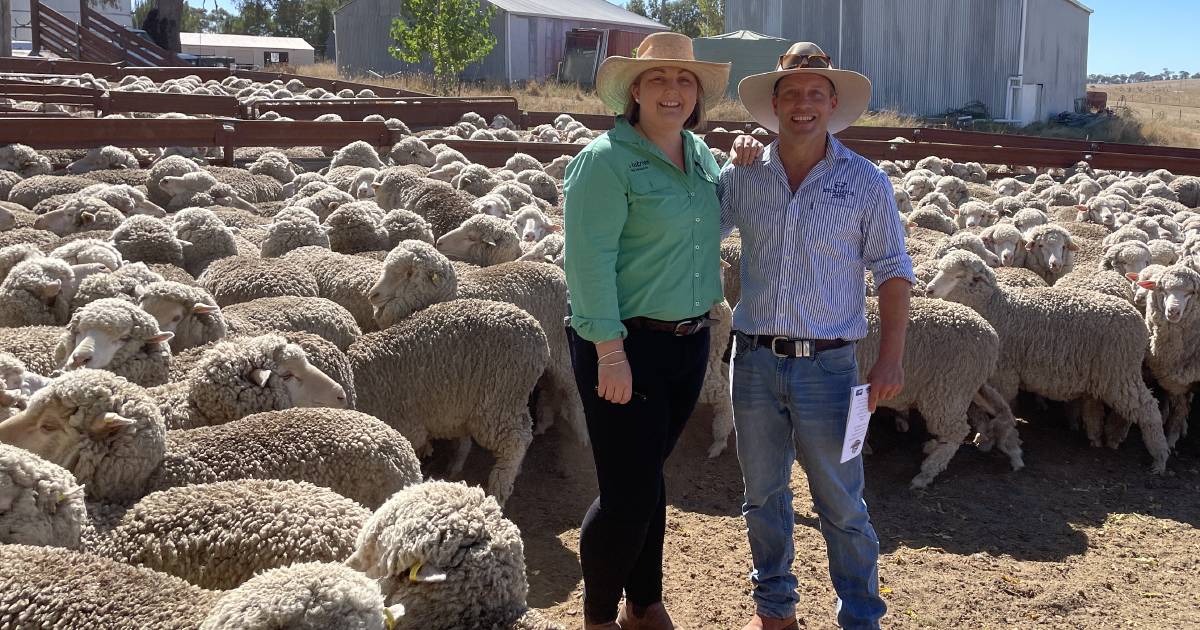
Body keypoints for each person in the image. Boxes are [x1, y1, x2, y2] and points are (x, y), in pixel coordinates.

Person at [562, 31, 760, 630]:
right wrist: (610, 353)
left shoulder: (698, 156)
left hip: (687, 341)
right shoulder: (604, 162)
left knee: (648, 480)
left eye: (684, 80)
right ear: (636, 91)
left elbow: (708, 227)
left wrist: (743, 165)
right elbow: (588, 262)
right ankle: (598, 617)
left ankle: (643, 604)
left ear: (697, 94)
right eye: (659, 80)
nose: (672, 90)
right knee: (626, 494)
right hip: (625, 344)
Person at [719, 42, 915, 630]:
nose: (802, 104)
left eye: (814, 93)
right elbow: (698, 222)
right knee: (763, 498)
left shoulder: (865, 182)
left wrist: (890, 359)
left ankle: (859, 616)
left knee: (841, 503)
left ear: (832, 102)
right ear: (774, 102)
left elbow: (894, 270)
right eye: (791, 92)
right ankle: (775, 609)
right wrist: (726, 160)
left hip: (829, 369)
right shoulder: (745, 175)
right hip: (753, 361)